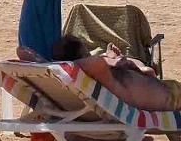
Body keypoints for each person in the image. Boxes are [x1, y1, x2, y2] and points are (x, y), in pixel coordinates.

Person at [46, 33, 181, 111]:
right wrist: (113, 60)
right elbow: (95, 63)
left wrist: (111, 58)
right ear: (82, 56)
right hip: (171, 98)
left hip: (166, 93)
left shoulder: (93, 78)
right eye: (86, 51)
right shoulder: (98, 71)